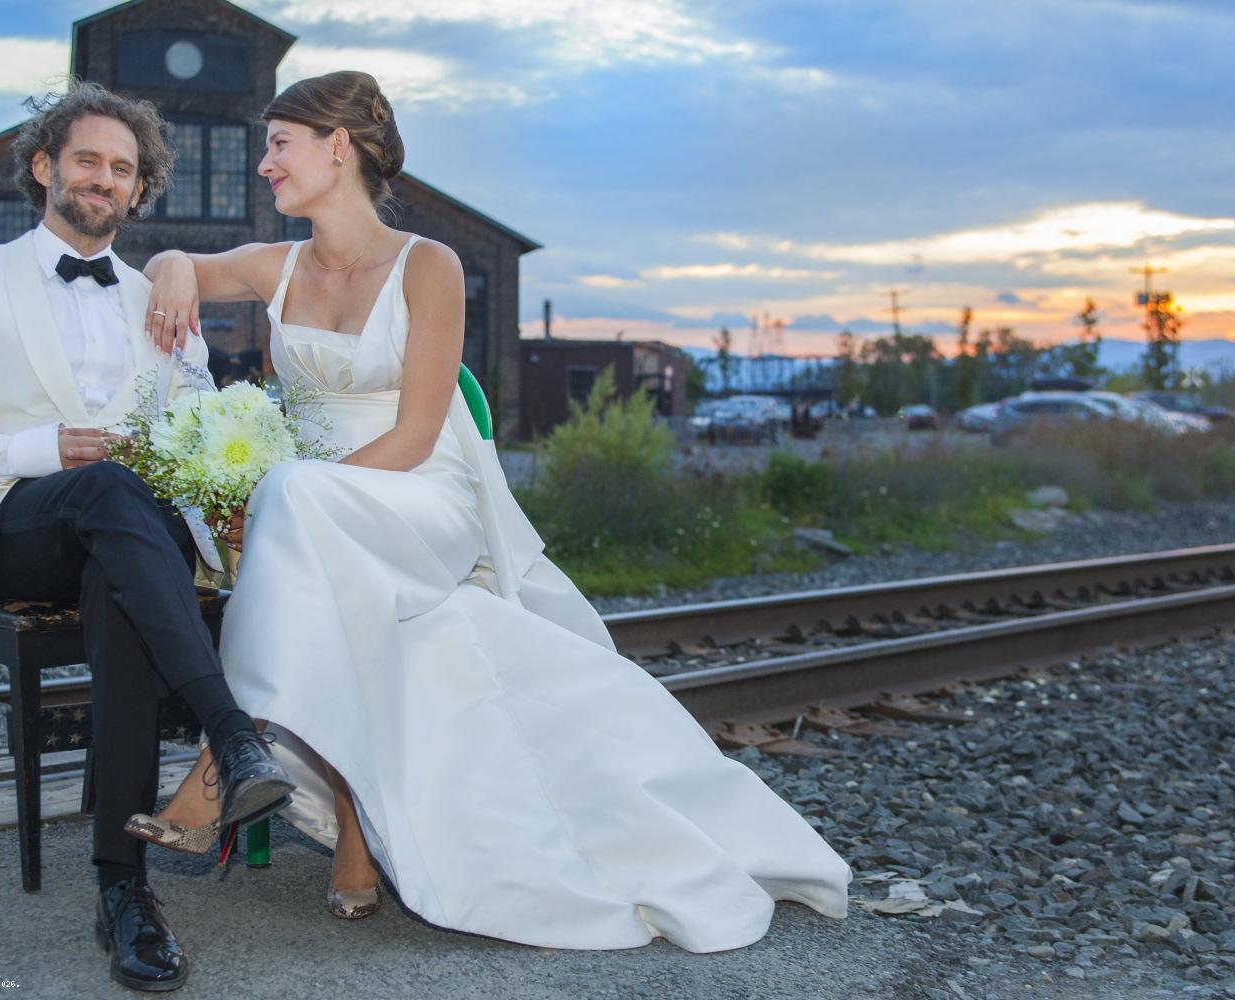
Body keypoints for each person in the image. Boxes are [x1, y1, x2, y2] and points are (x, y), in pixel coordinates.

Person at [133, 70, 850, 951]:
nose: (264, 164)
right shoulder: (273, 266)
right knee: (314, 538)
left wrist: (300, 498)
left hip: (418, 494)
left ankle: (221, 759)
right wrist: (174, 267)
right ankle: (353, 832)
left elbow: (415, 436)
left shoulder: (428, 266)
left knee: (291, 497)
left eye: (279, 143)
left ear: (338, 146)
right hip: (323, 513)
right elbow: (167, 269)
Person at [0, 81, 294, 992]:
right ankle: (228, 731)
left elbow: (198, 423)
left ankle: (123, 891)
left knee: (122, 575)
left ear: (138, 188)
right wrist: (50, 448)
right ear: (45, 166)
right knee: (107, 492)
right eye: (88, 160)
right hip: (23, 522)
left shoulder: (157, 297)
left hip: (128, 539)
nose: (104, 179)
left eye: (123, 169)